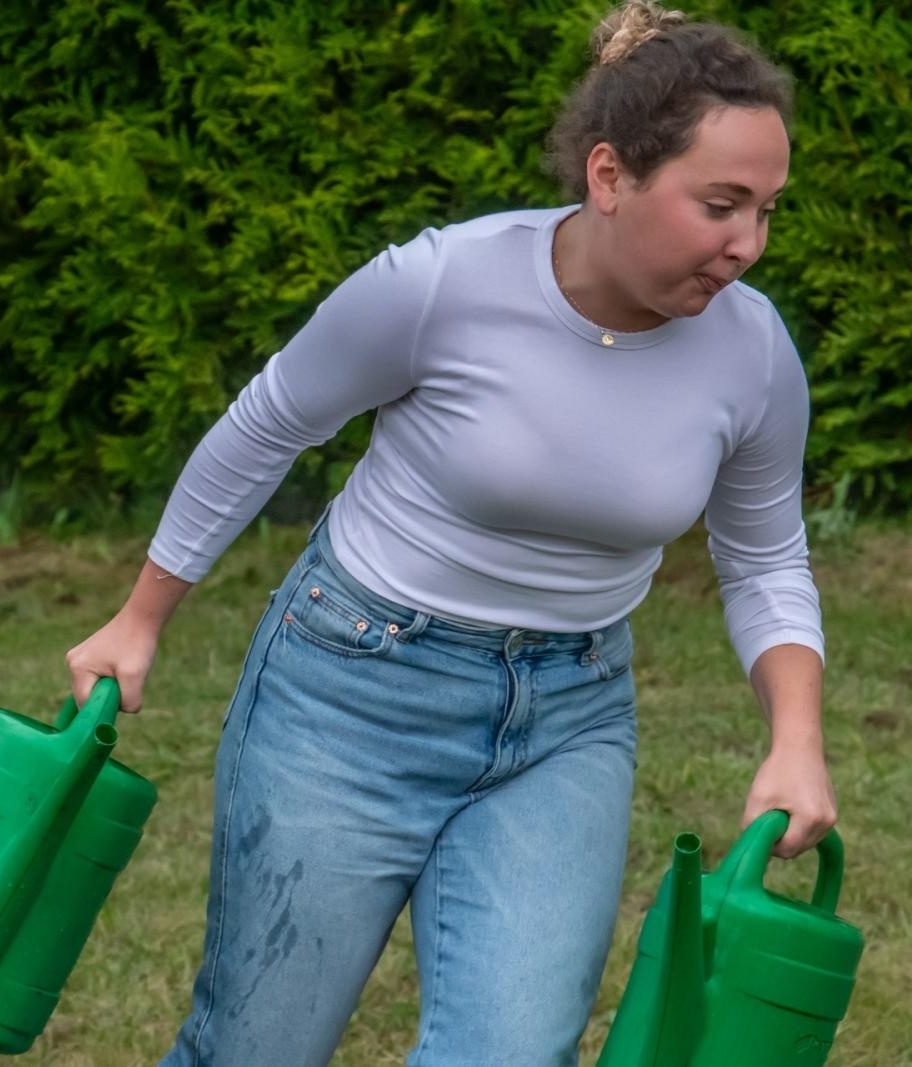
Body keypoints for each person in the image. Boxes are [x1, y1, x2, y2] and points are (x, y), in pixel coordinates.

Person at [65, 2, 835, 1064]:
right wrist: (139, 617)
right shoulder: (440, 284)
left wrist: (796, 739)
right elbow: (268, 423)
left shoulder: (752, 353)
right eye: (720, 205)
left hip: (566, 720)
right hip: (349, 689)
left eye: (766, 211)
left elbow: (764, 557)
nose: (747, 246)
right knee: (258, 1047)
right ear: (609, 176)